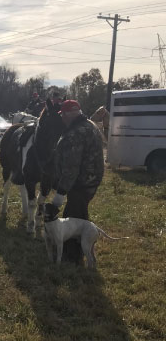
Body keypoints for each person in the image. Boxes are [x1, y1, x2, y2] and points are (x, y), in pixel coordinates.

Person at [49, 100, 105, 264]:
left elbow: (71, 167)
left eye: (63, 115)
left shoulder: (76, 133)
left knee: (72, 218)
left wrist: (60, 194)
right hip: (90, 180)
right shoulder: (90, 125)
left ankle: (72, 257)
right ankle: (79, 249)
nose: (62, 119)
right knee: (79, 213)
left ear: (68, 114)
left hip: (80, 183)